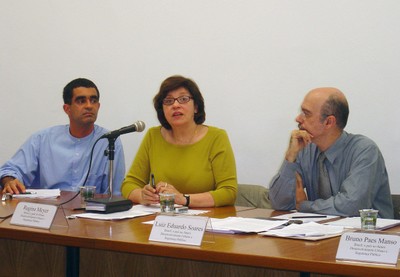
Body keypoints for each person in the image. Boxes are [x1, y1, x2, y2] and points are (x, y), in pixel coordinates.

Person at [269, 87, 393, 218]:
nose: (298, 118)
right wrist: (290, 156)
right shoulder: (305, 147)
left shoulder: (365, 150)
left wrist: (304, 205)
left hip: (368, 235)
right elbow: (279, 203)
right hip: (323, 233)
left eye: (306, 113)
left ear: (329, 122)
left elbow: (351, 207)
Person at [121, 75, 237, 207]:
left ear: (196, 107)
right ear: (162, 110)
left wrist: (184, 199)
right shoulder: (153, 136)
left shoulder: (216, 137)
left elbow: (228, 192)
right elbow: (128, 184)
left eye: (183, 99)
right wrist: (142, 195)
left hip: (206, 221)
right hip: (161, 220)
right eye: (169, 101)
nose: (176, 105)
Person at [0, 78, 125, 195]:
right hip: (48, 211)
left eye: (93, 100)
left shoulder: (109, 141)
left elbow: (115, 193)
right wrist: (9, 181)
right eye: (81, 101)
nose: (89, 106)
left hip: (90, 213)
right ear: (67, 109)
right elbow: (9, 170)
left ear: (98, 106)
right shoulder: (42, 139)